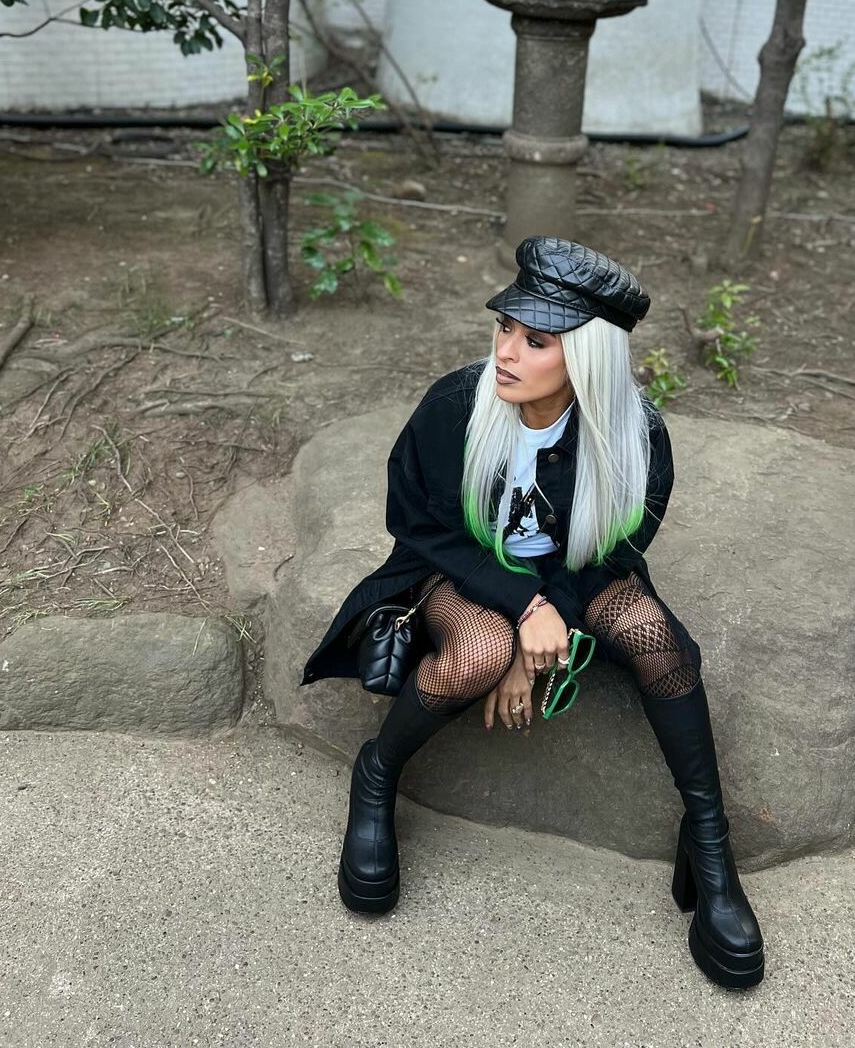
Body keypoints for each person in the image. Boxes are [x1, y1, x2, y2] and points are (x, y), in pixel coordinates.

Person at [300, 236, 764, 990]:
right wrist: (522, 614)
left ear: (585, 359)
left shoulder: (637, 435)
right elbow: (418, 524)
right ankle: (377, 775)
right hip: (460, 568)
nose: (506, 352)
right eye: (504, 327)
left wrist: (545, 621)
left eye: (536, 340)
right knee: (479, 654)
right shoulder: (457, 404)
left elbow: (616, 550)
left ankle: (710, 846)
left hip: (575, 575)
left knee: (661, 643)